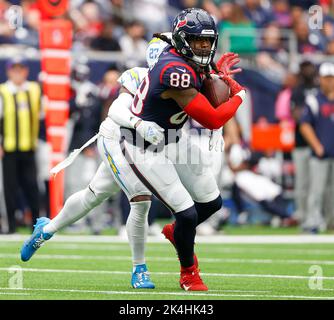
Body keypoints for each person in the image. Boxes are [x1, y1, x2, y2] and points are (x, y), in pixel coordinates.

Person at [104, 7, 246, 291]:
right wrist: (239, 94)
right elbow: (212, 118)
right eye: (197, 41)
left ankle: (176, 232)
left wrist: (218, 72)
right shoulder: (174, 71)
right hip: (143, 147)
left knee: (212, 204)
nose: (204, 46)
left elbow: (203, 71)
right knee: (188, 214)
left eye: (208, 40)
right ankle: (188, 273)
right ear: (183, 41)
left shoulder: (188, 55)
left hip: (173, 139)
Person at [20, 38, 170, 289]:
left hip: (139, 148)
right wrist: (140, 125)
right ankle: (139, 269)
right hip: (116, 138)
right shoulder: (138, 76)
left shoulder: (180, 82)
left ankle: (46, 230)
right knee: (141, 198)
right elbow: (116, 111)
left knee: (93, 194)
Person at [0, 56, 43, 234]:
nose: (18, 73)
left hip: (29, 147)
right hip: (8, 148)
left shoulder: (33, 89)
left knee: (32, 187)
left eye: (21, 69)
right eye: (14, 69)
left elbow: (42, 115)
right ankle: (10, 226)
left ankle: (36, 225)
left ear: (26, 71)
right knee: (9, 189)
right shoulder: (3, 91)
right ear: (8, 71)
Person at [300, 62, 334, 233]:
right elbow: (304, 125)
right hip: (320, 153)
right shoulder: (314, 99)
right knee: (317, 190)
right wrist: (317, 145)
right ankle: (312, 222)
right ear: (320, 79)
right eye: (326, 78)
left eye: (331, 78)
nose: (329, 82)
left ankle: (331, 222)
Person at [290, 61, 318, 228]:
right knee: (302, 183)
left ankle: (316, 216)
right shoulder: (297, 91)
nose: (308, 71)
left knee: (319, 184)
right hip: (301, 143)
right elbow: (297, 117)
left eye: (310, 68)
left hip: (319, 143)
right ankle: (302, 215)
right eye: (305, 68)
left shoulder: (320, 90)